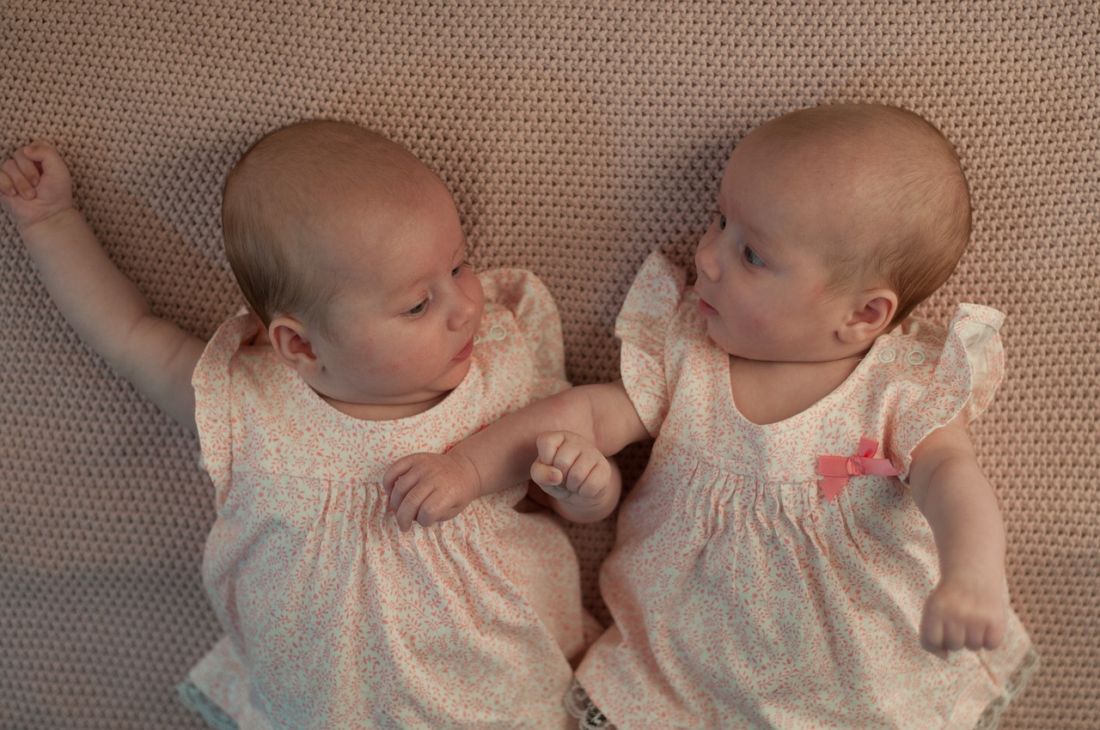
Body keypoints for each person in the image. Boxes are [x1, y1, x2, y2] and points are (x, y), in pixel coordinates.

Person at [384, 104, 1038, 728]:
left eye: (751, 254)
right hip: (687, 672)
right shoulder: (688, 358)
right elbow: (581, 413)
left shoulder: (897, 390)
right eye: (719, 220)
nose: (706, 256)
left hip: (856, 684)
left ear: (863, 315)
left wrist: (972, 575)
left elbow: (952, 478)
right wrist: (467, 469)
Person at [0, 120, 600, 729]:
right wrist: (50, 223)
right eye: (418, 304)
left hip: (495, 693)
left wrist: (583, 492)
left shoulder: (496, 371)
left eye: (459, 266)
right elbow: (128, 336)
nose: (465, 306)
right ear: (302, 346)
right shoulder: (251, 405)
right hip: (322, 708)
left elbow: (562, 494)